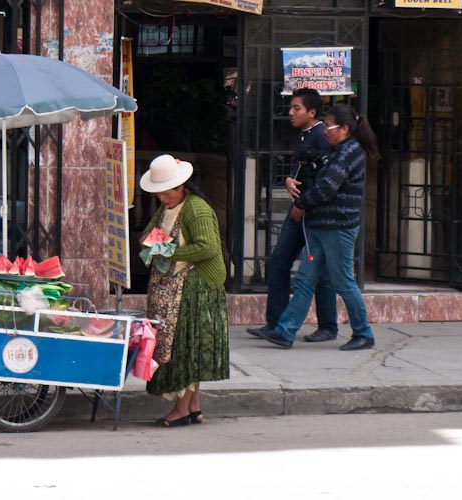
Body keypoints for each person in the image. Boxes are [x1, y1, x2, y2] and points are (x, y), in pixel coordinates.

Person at [255, 103, 379, 351]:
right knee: (304, 280)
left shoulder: (349, 152)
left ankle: (363, 333)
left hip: (337, 228)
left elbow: (327, 188)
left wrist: (301, 201)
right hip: (322, 227)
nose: (325, 132)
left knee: (343, 281)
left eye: (329, 127)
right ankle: (285, 331)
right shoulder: (337, 151)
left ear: (344, 128)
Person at [139, 154, 230, 427]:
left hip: (196, 288)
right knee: (188, 347)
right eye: (160, 195)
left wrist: (168, 251)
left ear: (181, 188)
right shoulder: (166, 209)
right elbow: (147, 234)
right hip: (176, 287)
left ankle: (181, 409)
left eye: (166, 194)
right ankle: (193, 407)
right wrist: (151, 243)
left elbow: (208, 248)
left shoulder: (197, 209)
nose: (163, 199)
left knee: (184, 350)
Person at [246, 89, 339, 343]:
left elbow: (323, 180)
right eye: (291, 107)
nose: (290, 112)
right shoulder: (305, 135)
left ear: (311, 112)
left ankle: (328, 326)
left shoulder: (321, 137)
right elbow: (300, 171)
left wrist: (303, 203)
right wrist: (288, 180)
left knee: (320, 271)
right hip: (298, 210)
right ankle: (274, 323)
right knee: (278, 262)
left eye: (296, 108)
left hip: (311, 212)